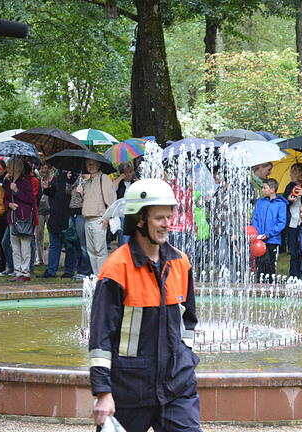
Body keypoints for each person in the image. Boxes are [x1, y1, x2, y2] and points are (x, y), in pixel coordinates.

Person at [89, 178, 201, 432]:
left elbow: (188, 319)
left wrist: (185, 357)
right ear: (139, 220)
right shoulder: (117, 269)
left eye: (169, 216)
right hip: (128, 391)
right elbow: (100, 338)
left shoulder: (180, 263)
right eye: (159, 218)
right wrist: (103, 392)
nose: (167, 224)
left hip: (176, 388)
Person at [82, 159, 115, 276]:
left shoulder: (104, 178)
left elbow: (111, 200)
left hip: (99, 219)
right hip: (87, 219)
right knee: (91, 251)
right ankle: (97, 276)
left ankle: (103, 276)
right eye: (87, 164)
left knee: (100, 250)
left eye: (92, 164)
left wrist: (107, 217)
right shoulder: (87, 182)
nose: (89, 166)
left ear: (98, 165)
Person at [4, 158, 35, 282]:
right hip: (12, 216)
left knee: (25, 245)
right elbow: (5, 198)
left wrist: (16, 191)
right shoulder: (7, 181)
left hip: (24, 216)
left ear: (16, 168)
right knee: (14, 246)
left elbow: (30, 199)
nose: (7, 169)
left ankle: (25, 272)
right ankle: (17, 271)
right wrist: (9, 204)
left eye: (9, 167)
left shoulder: (26, 181)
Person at [251, 178, 288, 277]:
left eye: (264, 188)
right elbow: (255, 218)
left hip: (273, 240)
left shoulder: (281, 204)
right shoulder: (260, 202)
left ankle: (270, 286)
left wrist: (268, 234)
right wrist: (257, 234)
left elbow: (281, 222)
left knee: (270, 265)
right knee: (260, 265)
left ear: (272, 189)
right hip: (259, 240)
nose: (262, 190)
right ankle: (259, 286)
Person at [35, 163, 53, 267]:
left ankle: (51, 258)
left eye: (46, 168)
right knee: (39, 235)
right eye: (42, 168)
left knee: (52, 235)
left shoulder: (52, 179)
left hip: (50, 210)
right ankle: (40, 259)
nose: (44, 170)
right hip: (39, 210)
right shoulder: (37, 180)